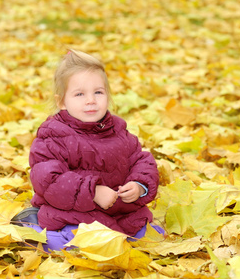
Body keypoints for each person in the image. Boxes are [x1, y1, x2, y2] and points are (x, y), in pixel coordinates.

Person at [12, 50, 162, 251]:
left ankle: (113, 241)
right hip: (74, 215)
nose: (91, 100)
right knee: (70, 242)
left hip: (119, 214)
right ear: (62, 102)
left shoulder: (118, 130)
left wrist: (139, 185)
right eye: (80, 94)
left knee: (154, 236)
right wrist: (92, 192)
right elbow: (49, 180)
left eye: (98, 92)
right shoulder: (54, 135)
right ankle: (33, 227)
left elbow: (141, 161)